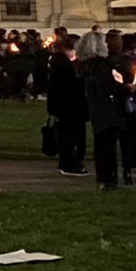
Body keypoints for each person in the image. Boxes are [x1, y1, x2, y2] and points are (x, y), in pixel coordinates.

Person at [78, 31, 127, 190]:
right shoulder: (101, 65)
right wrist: (123, 88)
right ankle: (108, 179)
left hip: (97, 110)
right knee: (107, 147)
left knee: (102, 145)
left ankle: (104, 178)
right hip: (107, 110)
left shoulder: (88, 65)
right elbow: (107, 88)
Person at [46, 36, 87, 178]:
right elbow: (66, 87)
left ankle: (69, 162)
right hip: (69, 106)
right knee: (69, 137)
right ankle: (69, 164)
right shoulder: (63, 66)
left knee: (69, 136)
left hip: (67, 106)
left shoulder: (62, 64)